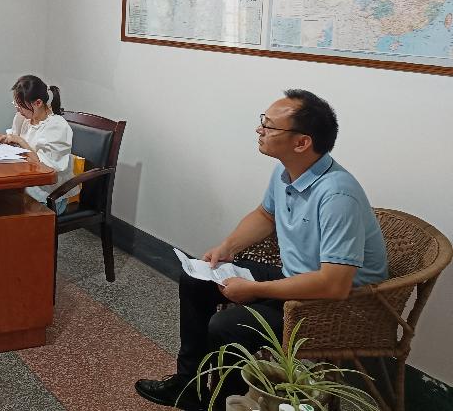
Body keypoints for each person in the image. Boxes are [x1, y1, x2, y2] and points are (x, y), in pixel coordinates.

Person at [135, 89, 388, 410]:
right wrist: (227, 247)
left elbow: (334, 285)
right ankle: (189, 387)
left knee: (227, 327)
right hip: (295, 279)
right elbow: (265, 215)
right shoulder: (287, 172)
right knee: (197, 278)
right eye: (263, 121)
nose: (260, 130)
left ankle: (227, 403)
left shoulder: (338, 195)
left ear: (302, 142)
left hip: (334, 306)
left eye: (269, 125)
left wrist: (255, 289)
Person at [0, 74, 74, 213]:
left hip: (47, 194)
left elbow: (45, 169)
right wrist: (1, 138)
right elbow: (15, 144)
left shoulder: (57, 127)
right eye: (16, 104)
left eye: (21, 106)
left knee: (2, 205)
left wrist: (20, 141)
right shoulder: (24, 118)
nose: (18, 110)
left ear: (38, 103)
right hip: (25, 182)